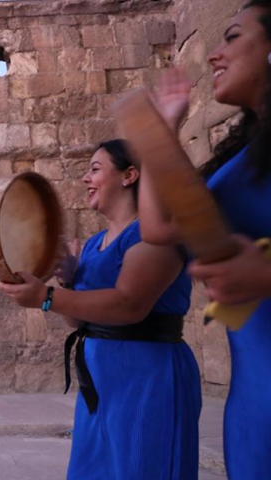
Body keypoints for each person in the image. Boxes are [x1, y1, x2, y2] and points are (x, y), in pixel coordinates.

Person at [0, 141, 201, 480]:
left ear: (129, 175)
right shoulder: (93, 244)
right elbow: (78, 321)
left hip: (148, 379)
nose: (84, 178)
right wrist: (68, 281)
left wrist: (46, 296)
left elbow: (130, 305)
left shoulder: (156, 231)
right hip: (100, 387)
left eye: (95, 168)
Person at [141, 2, 271, 476]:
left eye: (232, 37)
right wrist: (165, 129)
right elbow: (159, 227)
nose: (215, 55)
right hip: (254, 408)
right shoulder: (242, 159)